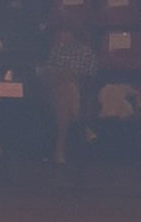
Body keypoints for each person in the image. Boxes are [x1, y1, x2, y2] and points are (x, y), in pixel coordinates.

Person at [41, 24, 97, 162]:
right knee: (65, 82)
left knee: (66, 97)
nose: (61, 36)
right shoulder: (56, 51)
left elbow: (90, 75)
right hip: (55, 89)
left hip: (75, 88)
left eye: (65, 32)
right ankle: (80, 123)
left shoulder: (87, 53)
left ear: (74, 34)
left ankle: (59, 149)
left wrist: (70, 76)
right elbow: (48, 72)